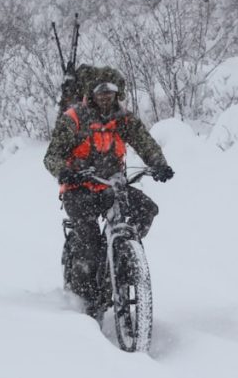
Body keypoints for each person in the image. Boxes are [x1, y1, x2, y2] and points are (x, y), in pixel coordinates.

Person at [43, 67, 174, 319]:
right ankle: (87, 300)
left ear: (118, 93)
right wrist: (65, 172)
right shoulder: (74, 118)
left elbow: (145, 142)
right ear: (90, 94)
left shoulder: (123, 119)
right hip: (79, 190)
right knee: (89, 246)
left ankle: (124, 254)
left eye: (111, 92)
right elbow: (51, 156)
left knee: (147, 209)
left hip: (112, 187)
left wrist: (159, 164)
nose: (105, 97)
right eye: (100, 92)